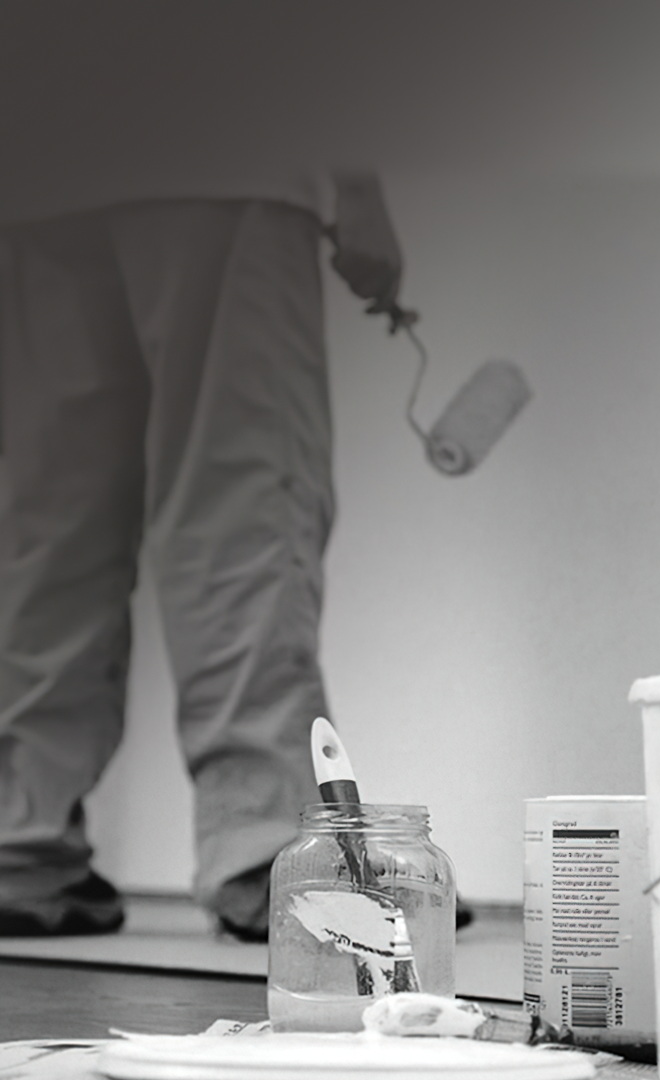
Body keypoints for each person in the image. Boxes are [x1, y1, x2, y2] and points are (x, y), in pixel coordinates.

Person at [0, 175, 405, 940]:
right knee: (239, 504)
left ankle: (18, 845)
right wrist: (355, 185)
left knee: (47, 525)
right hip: (219, 158)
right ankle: (265, 851)